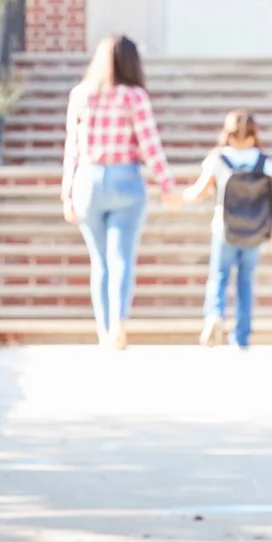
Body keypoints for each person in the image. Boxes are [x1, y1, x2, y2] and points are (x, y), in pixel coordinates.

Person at [60, 34, 176, 350]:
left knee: (100, 262)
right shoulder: (133, 97)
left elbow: (72, 148)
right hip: (126, 179)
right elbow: (150, 145)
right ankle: (119, 327)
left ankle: (103, 330)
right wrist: (167, 184)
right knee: (122, 257)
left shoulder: (81, 95)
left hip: (88, 180)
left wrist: (66, 194)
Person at [185, 110, 272, 349]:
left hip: (225, 228)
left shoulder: (219, 159)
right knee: (245, 282)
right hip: (255, 230)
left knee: (219, 277)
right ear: (254, 134)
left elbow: (199, 191)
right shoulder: (263, 160)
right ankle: (241, 336)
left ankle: (214, 316)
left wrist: (182, 195)